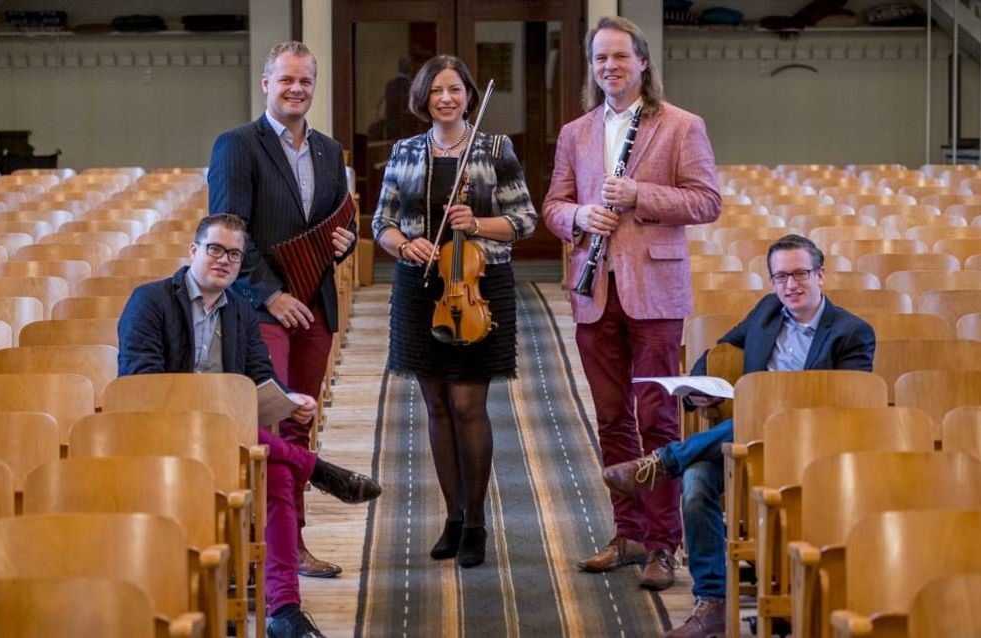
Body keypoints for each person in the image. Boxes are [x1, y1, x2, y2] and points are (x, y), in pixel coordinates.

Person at [118, 214, 381, 638]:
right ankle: (315, 468)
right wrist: (208, 405)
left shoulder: (241, 311)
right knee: (251, 441)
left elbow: (261, 377)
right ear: (193, 251)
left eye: (234, 254)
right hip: (163, 434)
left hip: (228, 439)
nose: (224, 260)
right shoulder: (150, 301)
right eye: (215, 249)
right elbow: (141, 384)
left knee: (276, 471)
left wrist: (290, 401)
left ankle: (285, 611)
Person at [602, 234, 876, 638]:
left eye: (800, 273)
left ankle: (664, 461)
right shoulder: (767, 311)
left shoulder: (852, 332)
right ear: (771, 282)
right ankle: (712, 602)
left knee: (767, 411)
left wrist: (777, 406)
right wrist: (697, 387)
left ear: (821, 275)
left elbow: (846, 404)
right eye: (780, 276)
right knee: (696, 482)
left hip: (812, 446)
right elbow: (722, 349)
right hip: (749, 445)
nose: (791, 285)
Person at [541, 15, 721, 589]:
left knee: (658, 418)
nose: (609, 67)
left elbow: (706, 201)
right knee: (613, 418)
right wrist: (578, 217)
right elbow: (552, 206)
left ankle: (665, 544)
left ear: (643, 61)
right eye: (600, 59)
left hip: (655, 293)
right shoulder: (576, 132)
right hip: (594, 291)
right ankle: (630, 532)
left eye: (620, 56)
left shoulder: (681, 126)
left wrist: (640, 194)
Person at [371, 54, 536, 568]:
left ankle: (478, 522)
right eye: (437, 90)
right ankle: (453, 517)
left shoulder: (495, 148)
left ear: (469, 95)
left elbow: (524, 219)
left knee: (468, 406)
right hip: (421, 288)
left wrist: (477, 223)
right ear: (423, 99)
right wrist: (403, 245)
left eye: (456, 89)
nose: (447, 98)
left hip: (478, 285)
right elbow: (381, 221)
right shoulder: (404, 150)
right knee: (437, 407)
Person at [207, 40, 356, 579]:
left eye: (305, 81)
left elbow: (343, 221)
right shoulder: (237, 145)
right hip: (262, 310)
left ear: (314, 87)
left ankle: (293, 547)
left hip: (315, 305)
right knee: (269, 429)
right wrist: (271, 294)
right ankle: (270, 552)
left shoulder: (329, 150)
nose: (296, 89)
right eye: (286, 79)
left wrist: (346, 241)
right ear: (266, 83)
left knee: (299, 425)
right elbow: (227, 236)